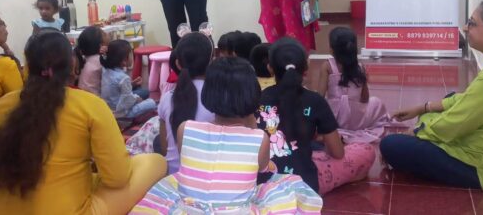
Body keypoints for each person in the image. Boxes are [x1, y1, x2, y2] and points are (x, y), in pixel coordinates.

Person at [0, 31, 166, 214]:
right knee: (154, 162)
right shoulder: (90, 104)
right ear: (72, 64)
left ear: (27, 67)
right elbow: (118, 178)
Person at [380, 0, 483, 191]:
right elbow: (467, 100)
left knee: (391, 145)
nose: (465, 28)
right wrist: (423, 108)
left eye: (472, 23)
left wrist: (416, 132)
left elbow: (454, 123)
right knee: (447, 101)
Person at [132, 57, 323, 214]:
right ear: (252, 95)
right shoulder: (259, 139)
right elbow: (264, 168)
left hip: (188, 210)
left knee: (173, 183)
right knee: (290, 184)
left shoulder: (185, 129)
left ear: (208, 93)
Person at [257, 37, 375, 195]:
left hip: (262, 184)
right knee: (366, 150)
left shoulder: (258, 98)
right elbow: (338, 153)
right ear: (306, 68)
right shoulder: (315, 101)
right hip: (305, 185)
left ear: (270, 68)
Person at [316, 27, 389, 143]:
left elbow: (320, 96)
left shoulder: (327, 66)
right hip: (357, 121)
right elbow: (365, 98)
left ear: (332, 49)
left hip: (333, 119)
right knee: (376, 102)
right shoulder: (360, 67)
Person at [157, 32, 215, 174]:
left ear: (177, 63)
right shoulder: (218, 96)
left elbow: (164, 149)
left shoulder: (166, 98)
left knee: (155, 139)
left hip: (173, 175)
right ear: (211, 61)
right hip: (209, 175)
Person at [100, 39, 156, 129]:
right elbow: (127, 101)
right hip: (121, 113)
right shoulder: (123, 78)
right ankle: (129, 121)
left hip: (108, 109)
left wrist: (132, 84)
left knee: (143, 91)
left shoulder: (105, 70)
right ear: (124, 60)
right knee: (152, 103)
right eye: (130, 54)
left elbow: (116, 88)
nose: (132, 57)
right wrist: (137, 99)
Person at [75, 26, 110, 95]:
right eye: (104, 34)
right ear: (101, 44)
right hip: (95, 98)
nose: (107, 34)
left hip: (84, 96)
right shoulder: (100, 61)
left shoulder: (85, 58)